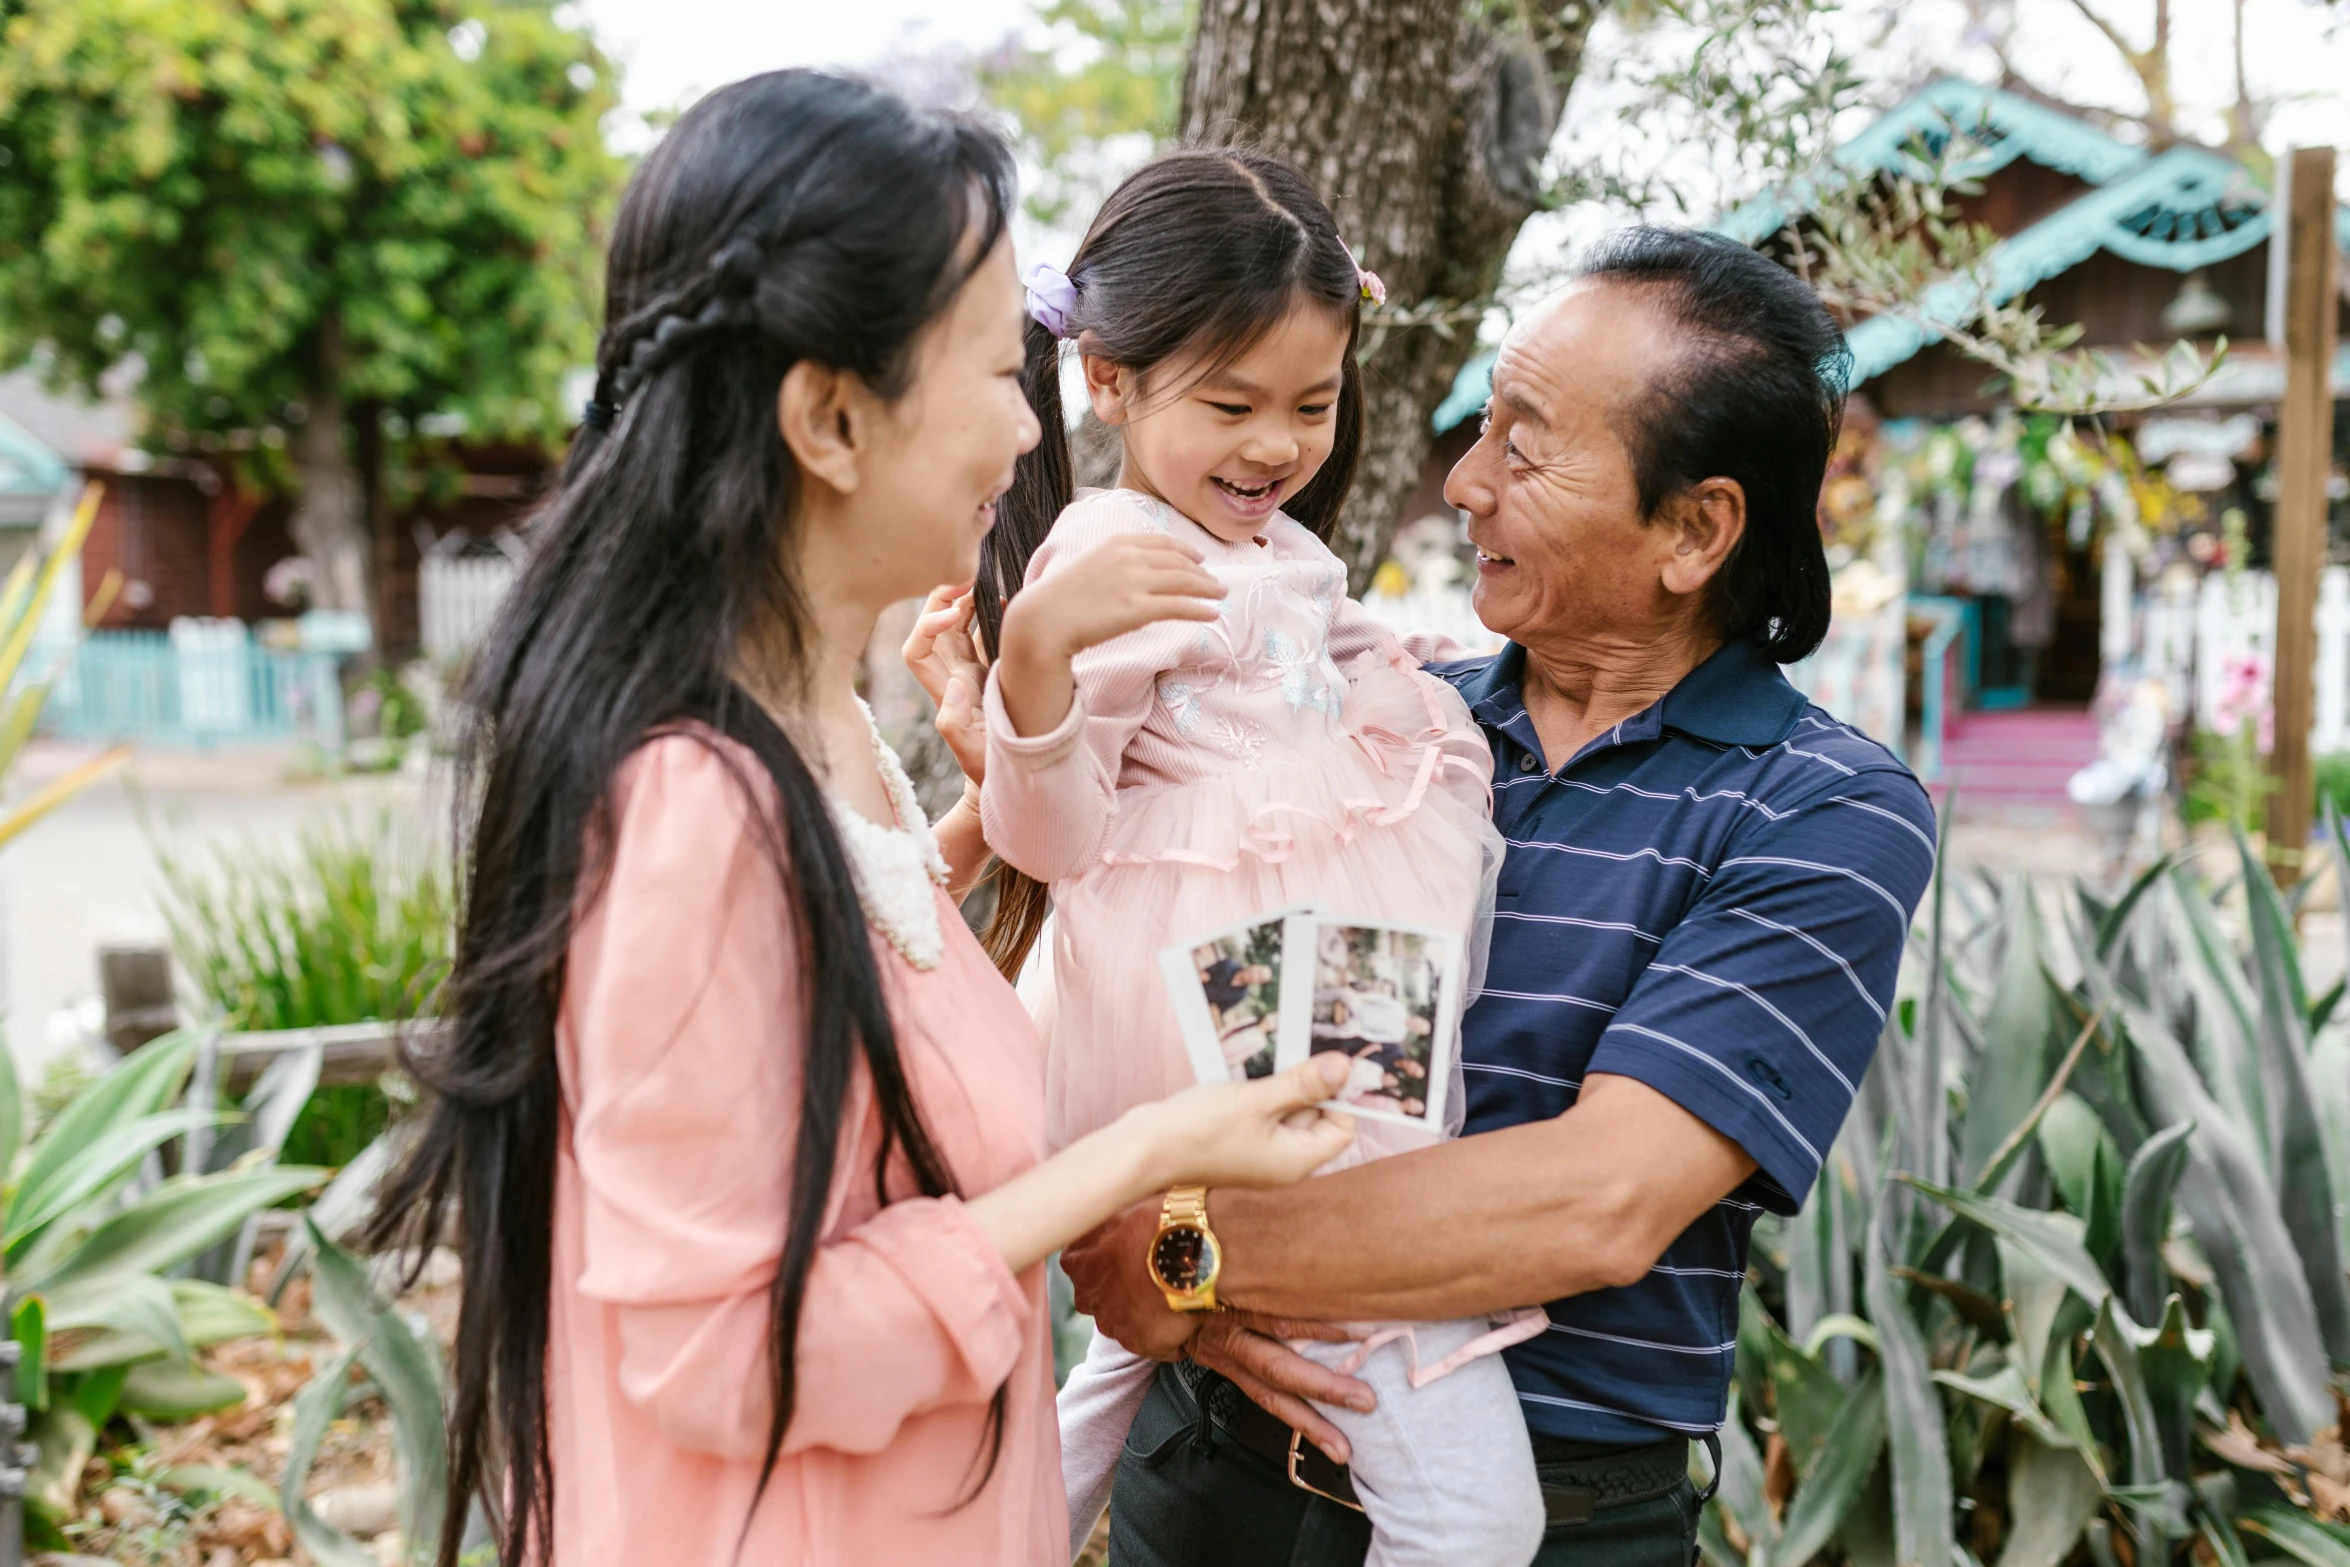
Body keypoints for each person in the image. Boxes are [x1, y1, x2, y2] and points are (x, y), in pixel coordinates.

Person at [363, 72, 1362, 1567]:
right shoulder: (694, 803)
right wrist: (1142, 1149)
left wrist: (969, 830)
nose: (1026, 432)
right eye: (988, 372)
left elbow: (824, 993)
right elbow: (725, 1357)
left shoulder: (818, 728)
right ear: (830, 418)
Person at [1060, 227, 1938, 1567]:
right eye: (1482, 429)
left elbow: (1593, 1199)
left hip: (1551, 1523)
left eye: (1522, 449)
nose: (1463, 483)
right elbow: (1205, 1001)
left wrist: (1183, 1253)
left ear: (1694, 529)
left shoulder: (1817, 810)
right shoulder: (1387, 731)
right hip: (1211, 1475)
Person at [961, 147, 1544, 1567]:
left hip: (1303, 949)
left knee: (1116, 1374)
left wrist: (1406, 677)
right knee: (1452, 1461)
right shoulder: (1111, 551)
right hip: (1227, 976)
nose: (1276, 443)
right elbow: (1052, 837)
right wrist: (1032, 661)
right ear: (1107, 381)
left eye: (1313, 402)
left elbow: (1325, 643)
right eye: (1230, 405)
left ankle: (986, 1523)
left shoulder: (1271, 540)